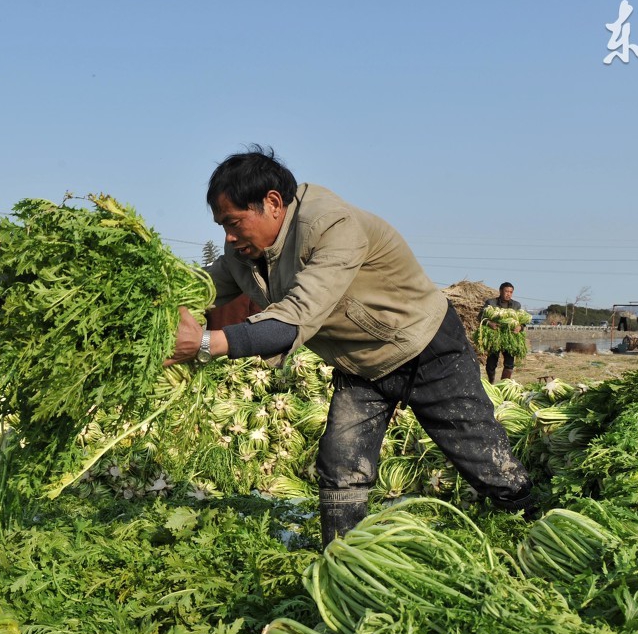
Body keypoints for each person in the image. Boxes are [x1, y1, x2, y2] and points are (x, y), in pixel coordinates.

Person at [167, 147, 533, 544]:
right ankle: (342, 556)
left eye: (234, 222)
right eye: (222, 225)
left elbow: (295, 316)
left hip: (425, 347)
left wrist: (205, 343)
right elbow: (203, 286)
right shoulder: (243, 253)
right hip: (360, 363)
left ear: (272, 203)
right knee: (341, 462)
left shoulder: (331, 226)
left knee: (481, 457)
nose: (229, 236)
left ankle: (529, 530)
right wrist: (160, 303)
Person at [483, 281, 523, 383]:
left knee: (509, 363)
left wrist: (520, 327)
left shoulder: (516, 305)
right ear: (500, 291)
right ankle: (491, 381)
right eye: (506, 291)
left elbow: (522, 321)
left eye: (511, 292)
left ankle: (504, 384)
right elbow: (481, 317)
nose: (508, 294)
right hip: (495, 336)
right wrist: (490, 324)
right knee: (491, 363)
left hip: (510, 337)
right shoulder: (491, 303)